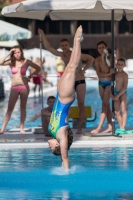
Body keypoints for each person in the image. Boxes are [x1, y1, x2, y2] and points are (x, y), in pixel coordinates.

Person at [38, 28, 94, 135]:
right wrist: (42, 35)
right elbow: (49, 48)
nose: (64, 47)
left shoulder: (75, 54)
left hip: (80, 80)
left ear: (69, 45)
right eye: (62, 45)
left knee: (81, 103)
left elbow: (91, 58)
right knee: (65, 103)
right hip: (69, 82)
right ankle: (65, 125)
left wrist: (84, 70)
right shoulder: (62, 55)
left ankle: (80, 128)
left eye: (65, 45)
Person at [48, 25, 83, 171]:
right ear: (57, 146)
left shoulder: (52, 132)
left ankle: (77, 40)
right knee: (72, 66)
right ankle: (77, 40)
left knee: (69, 66)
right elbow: (65, 157)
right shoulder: (61, 136)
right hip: (65, 98)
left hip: (60, 96)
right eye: (50, 148)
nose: (48, 145)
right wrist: (66, 171)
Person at [0, 45, 40, 134]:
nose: (17, 54)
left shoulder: (26, 61)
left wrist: (30, 76)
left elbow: (38, 68)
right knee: (10, 108)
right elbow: (0, 62)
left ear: (21, 52)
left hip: (24, 86)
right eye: (15, 53)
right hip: (14, 87)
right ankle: (2, 128)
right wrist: (9, 53)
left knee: (23, 107)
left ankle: (21, 128)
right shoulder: (11, 62)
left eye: (18, 52)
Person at [91, 41, 115, 134]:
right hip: (101, 84)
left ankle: (99, 127)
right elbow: (98, 73)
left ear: (106, 47)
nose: (101, 49)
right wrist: (108, 73)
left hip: (109, 83)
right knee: (106, 105)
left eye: (102, 47)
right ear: (97, 49)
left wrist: (104, 57)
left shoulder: (111, 57)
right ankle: (110, 126)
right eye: (99, 48)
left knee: (104, 104)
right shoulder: (96, 59)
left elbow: (106, 68)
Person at [110, 57, 128, 134]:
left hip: (123, 93)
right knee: (117, 111)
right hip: (115, 92)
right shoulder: (114, 74)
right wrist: (111, 95)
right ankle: (121, 127)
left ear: (124, 65)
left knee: (123, 110)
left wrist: (118, 95)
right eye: (119, 64)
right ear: (116, 65)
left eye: (122, 64)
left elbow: (125, 87)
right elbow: (110, 85)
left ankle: (123, 127)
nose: (120, 66)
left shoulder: (125, 75)